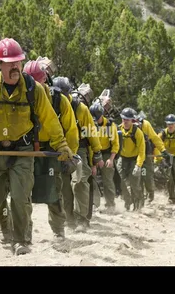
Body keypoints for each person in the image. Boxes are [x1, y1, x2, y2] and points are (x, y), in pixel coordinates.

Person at [0, 38, 73, 255]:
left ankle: (21, 241)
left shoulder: (33, 90)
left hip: (23, 151)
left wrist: (62, 145)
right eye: (10, 62)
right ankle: (4, 224)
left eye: (18, 61)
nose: (15, 66)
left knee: (20, 197)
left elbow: (50, 120)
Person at [23, 58, 79, 241]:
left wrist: (70, 155)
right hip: (26, 148)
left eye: (36, 83)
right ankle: (24, 233)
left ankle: (58, 232)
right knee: (21, 193)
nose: (33, 88)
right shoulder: (19, 98)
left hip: (52, 151)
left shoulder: (59, 101)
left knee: (54, 193)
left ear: (45, 82)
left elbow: (71, 130)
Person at [53, 77, 104, 232]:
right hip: (60, 148)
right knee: (64, 186)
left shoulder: (80, 108)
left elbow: (90, 132)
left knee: (80, 182)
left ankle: (82, 218)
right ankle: (69, 220)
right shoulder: (52, 105)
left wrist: (97, 153)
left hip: (79, 148)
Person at [89, 103, 119, 212]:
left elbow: (115, 144)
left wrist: (111, 159)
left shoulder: (110, 126)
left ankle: (110, 205)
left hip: (107, 153)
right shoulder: (89, 125)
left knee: (108, 179)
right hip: (93, 152)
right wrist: (93, 163)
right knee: (91, 178)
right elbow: (89, 144)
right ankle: (93, 204)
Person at [117, 107, 146, 211]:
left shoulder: (137, 132)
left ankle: (138, 204)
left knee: (134, 183)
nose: (125, 122)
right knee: (122, 182)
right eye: (123, 119)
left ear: (132, 120)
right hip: (122, 158)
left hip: (134, 159)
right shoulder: (118, 129)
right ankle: (127, 204)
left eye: (127, 120)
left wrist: (138, 166)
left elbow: (142, 151)